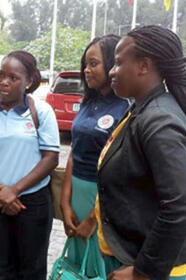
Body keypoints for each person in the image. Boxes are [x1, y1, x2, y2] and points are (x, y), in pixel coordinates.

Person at [93, 25, 186, 280]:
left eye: (118, 63)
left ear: (144, 66)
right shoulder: (141, 108)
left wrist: (143, 272)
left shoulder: (160, 119)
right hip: (128, 254)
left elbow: (182, 206)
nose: (112, 71)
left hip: (146, 267)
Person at [0, 50, 60, 279]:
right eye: (2, 75)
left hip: (33, 202)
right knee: (5, 267)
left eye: (13, 77)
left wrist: (15, 190)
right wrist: (1, 193)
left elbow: (51, 157)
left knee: (33, 269)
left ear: (28, 82)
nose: (4, 82)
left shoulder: (42, 111)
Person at [59, 34, 130, 276]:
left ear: (112, 64)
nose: (87, 70)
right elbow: (74, 152)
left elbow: (121, 173)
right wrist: (65, 200)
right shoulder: (88, 102)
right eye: (85, 64)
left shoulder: (125, 108)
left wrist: (92, 218)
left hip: (103, 198)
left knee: (99, 264)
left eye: (94, 63)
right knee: (78, 262)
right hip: (77, 192)